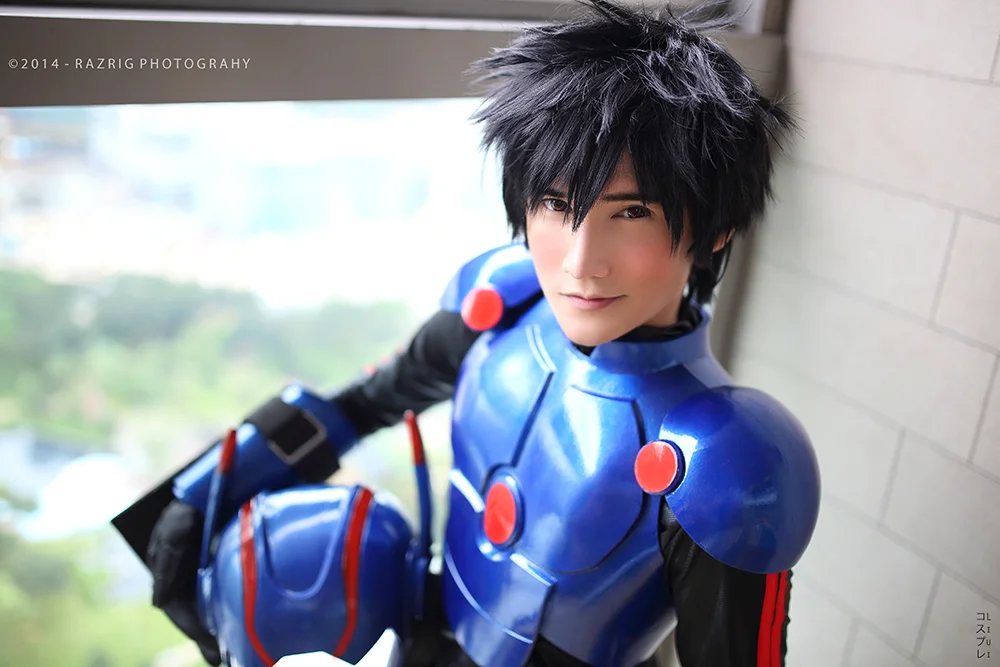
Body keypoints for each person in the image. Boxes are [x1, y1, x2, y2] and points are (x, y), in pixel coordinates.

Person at [113, 1, 821, 666]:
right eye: (556, 203)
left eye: (631, 212)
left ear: (716, 228)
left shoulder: (728, 456)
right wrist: (196, 499)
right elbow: (362, 404)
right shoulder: (501, 305)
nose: (580, 262)